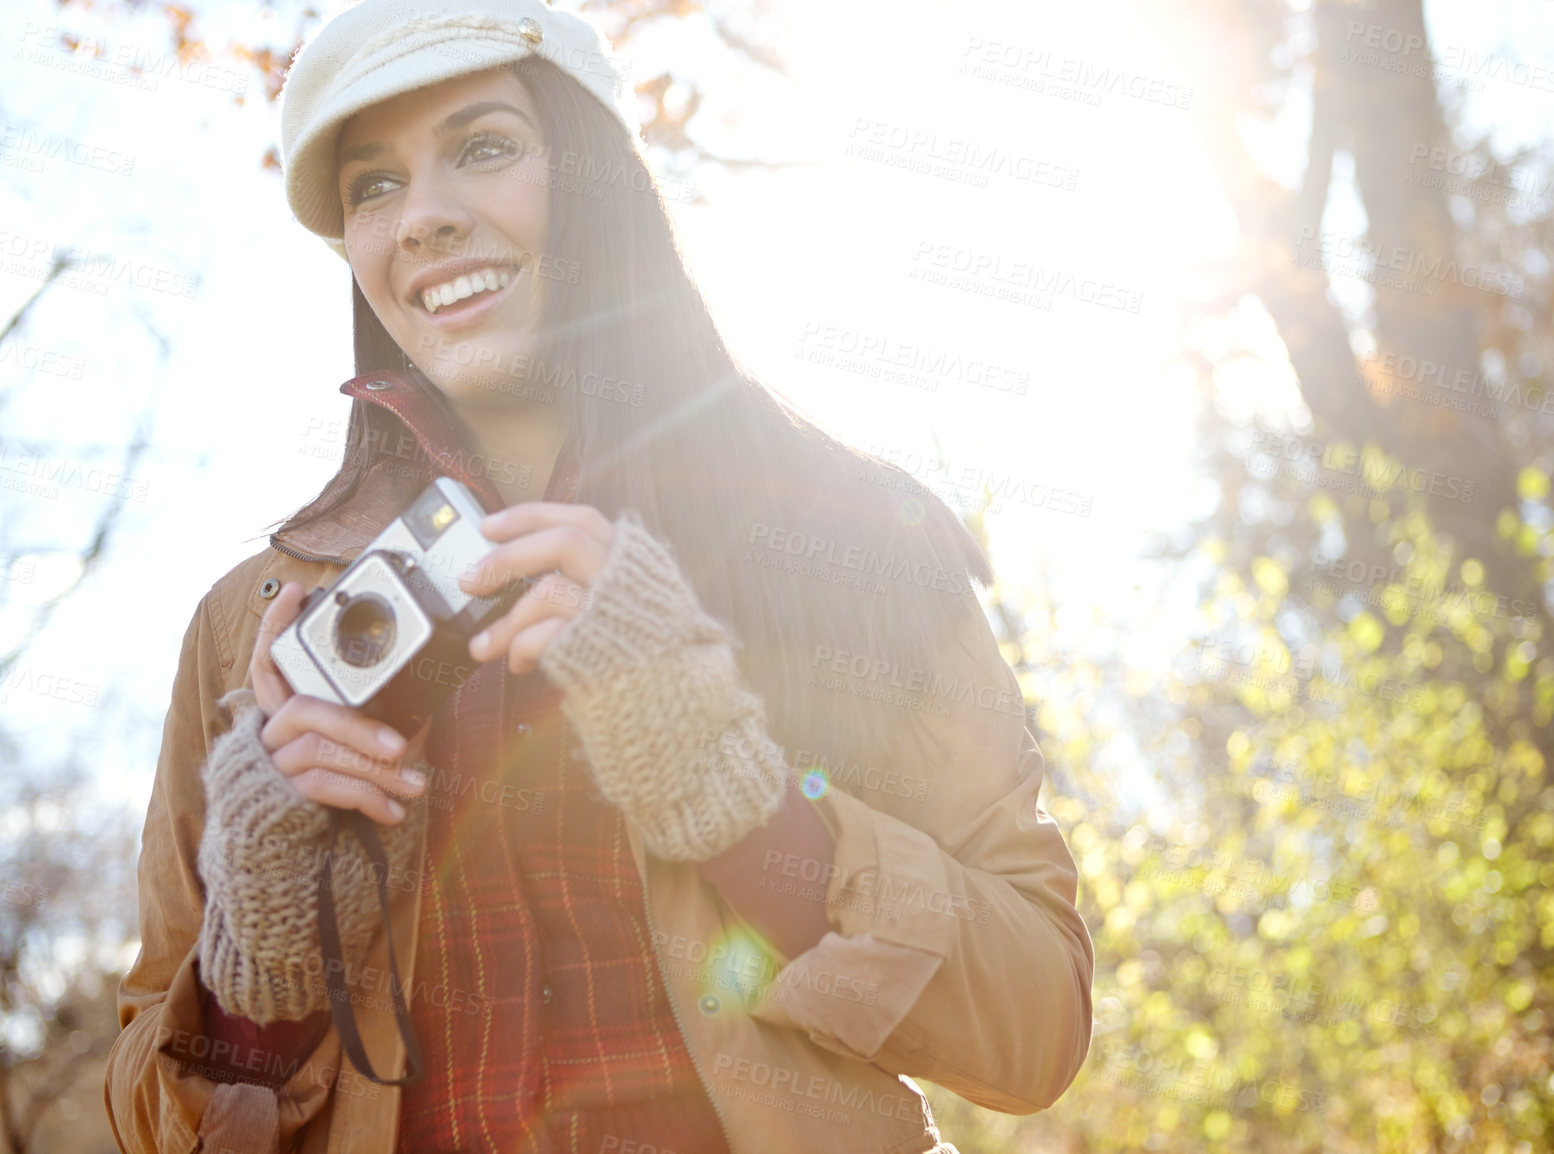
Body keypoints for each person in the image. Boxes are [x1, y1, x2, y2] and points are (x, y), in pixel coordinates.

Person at [103, 1, 1093, 1151]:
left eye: (483, 147)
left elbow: (1033, 1032)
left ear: (596, 178)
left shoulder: (851, 533)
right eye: (372, 186)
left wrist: (733, 792)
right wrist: (267, 941)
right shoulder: (258, 629)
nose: (422, 215)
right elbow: (146, 1115)